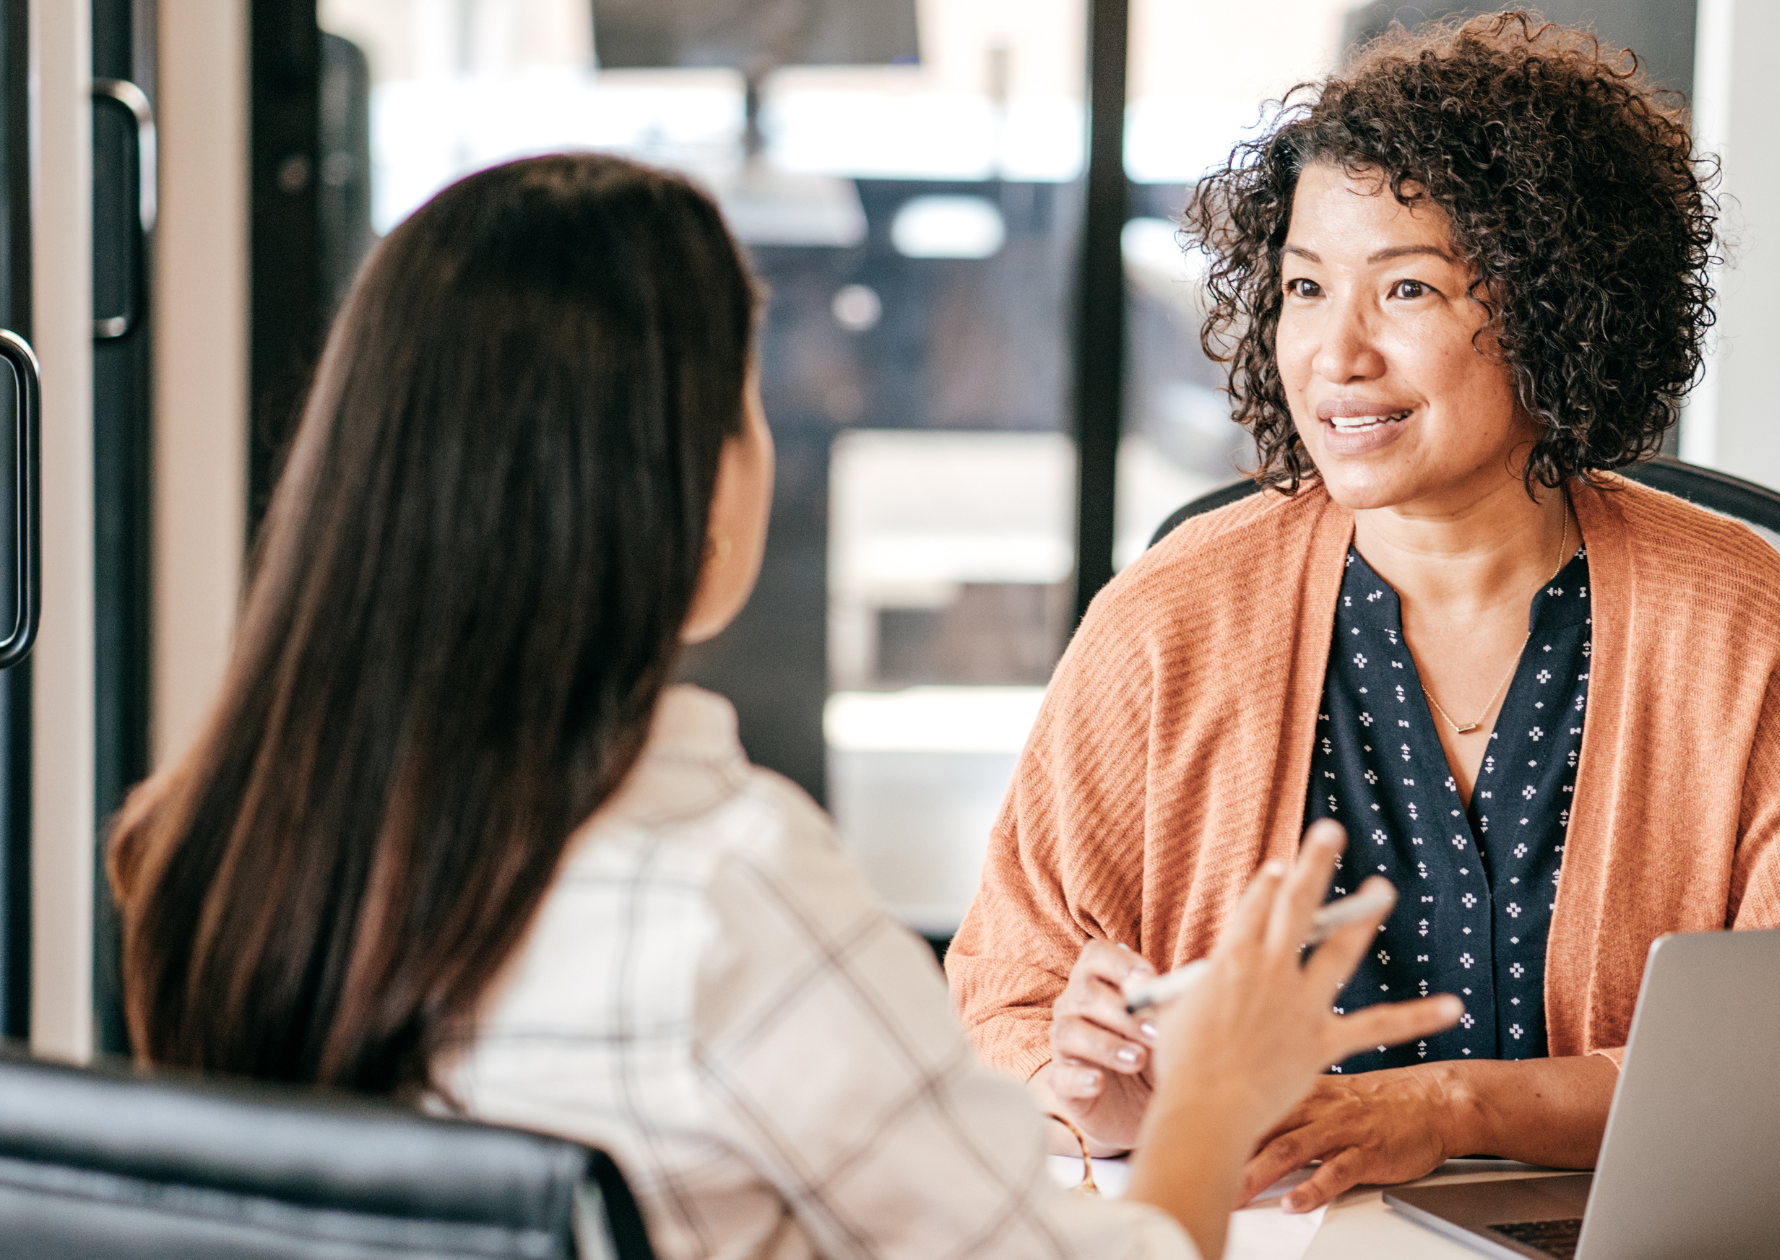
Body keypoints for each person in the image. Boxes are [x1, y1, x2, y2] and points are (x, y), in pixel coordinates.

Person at [104, 153, 1458, 1260]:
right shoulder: (723, 892)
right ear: (675, 491)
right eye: (746, 404)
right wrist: (1215, 1092)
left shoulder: (210, 846)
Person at [945, 12, 1780, 1214]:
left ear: (1551, 306)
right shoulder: (1168, 617)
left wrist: (1457, 1108)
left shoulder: (1740, 620)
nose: (1335, 353)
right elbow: (1006, 998)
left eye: (1405, 286)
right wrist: (1090, 1088)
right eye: (1304, 287)